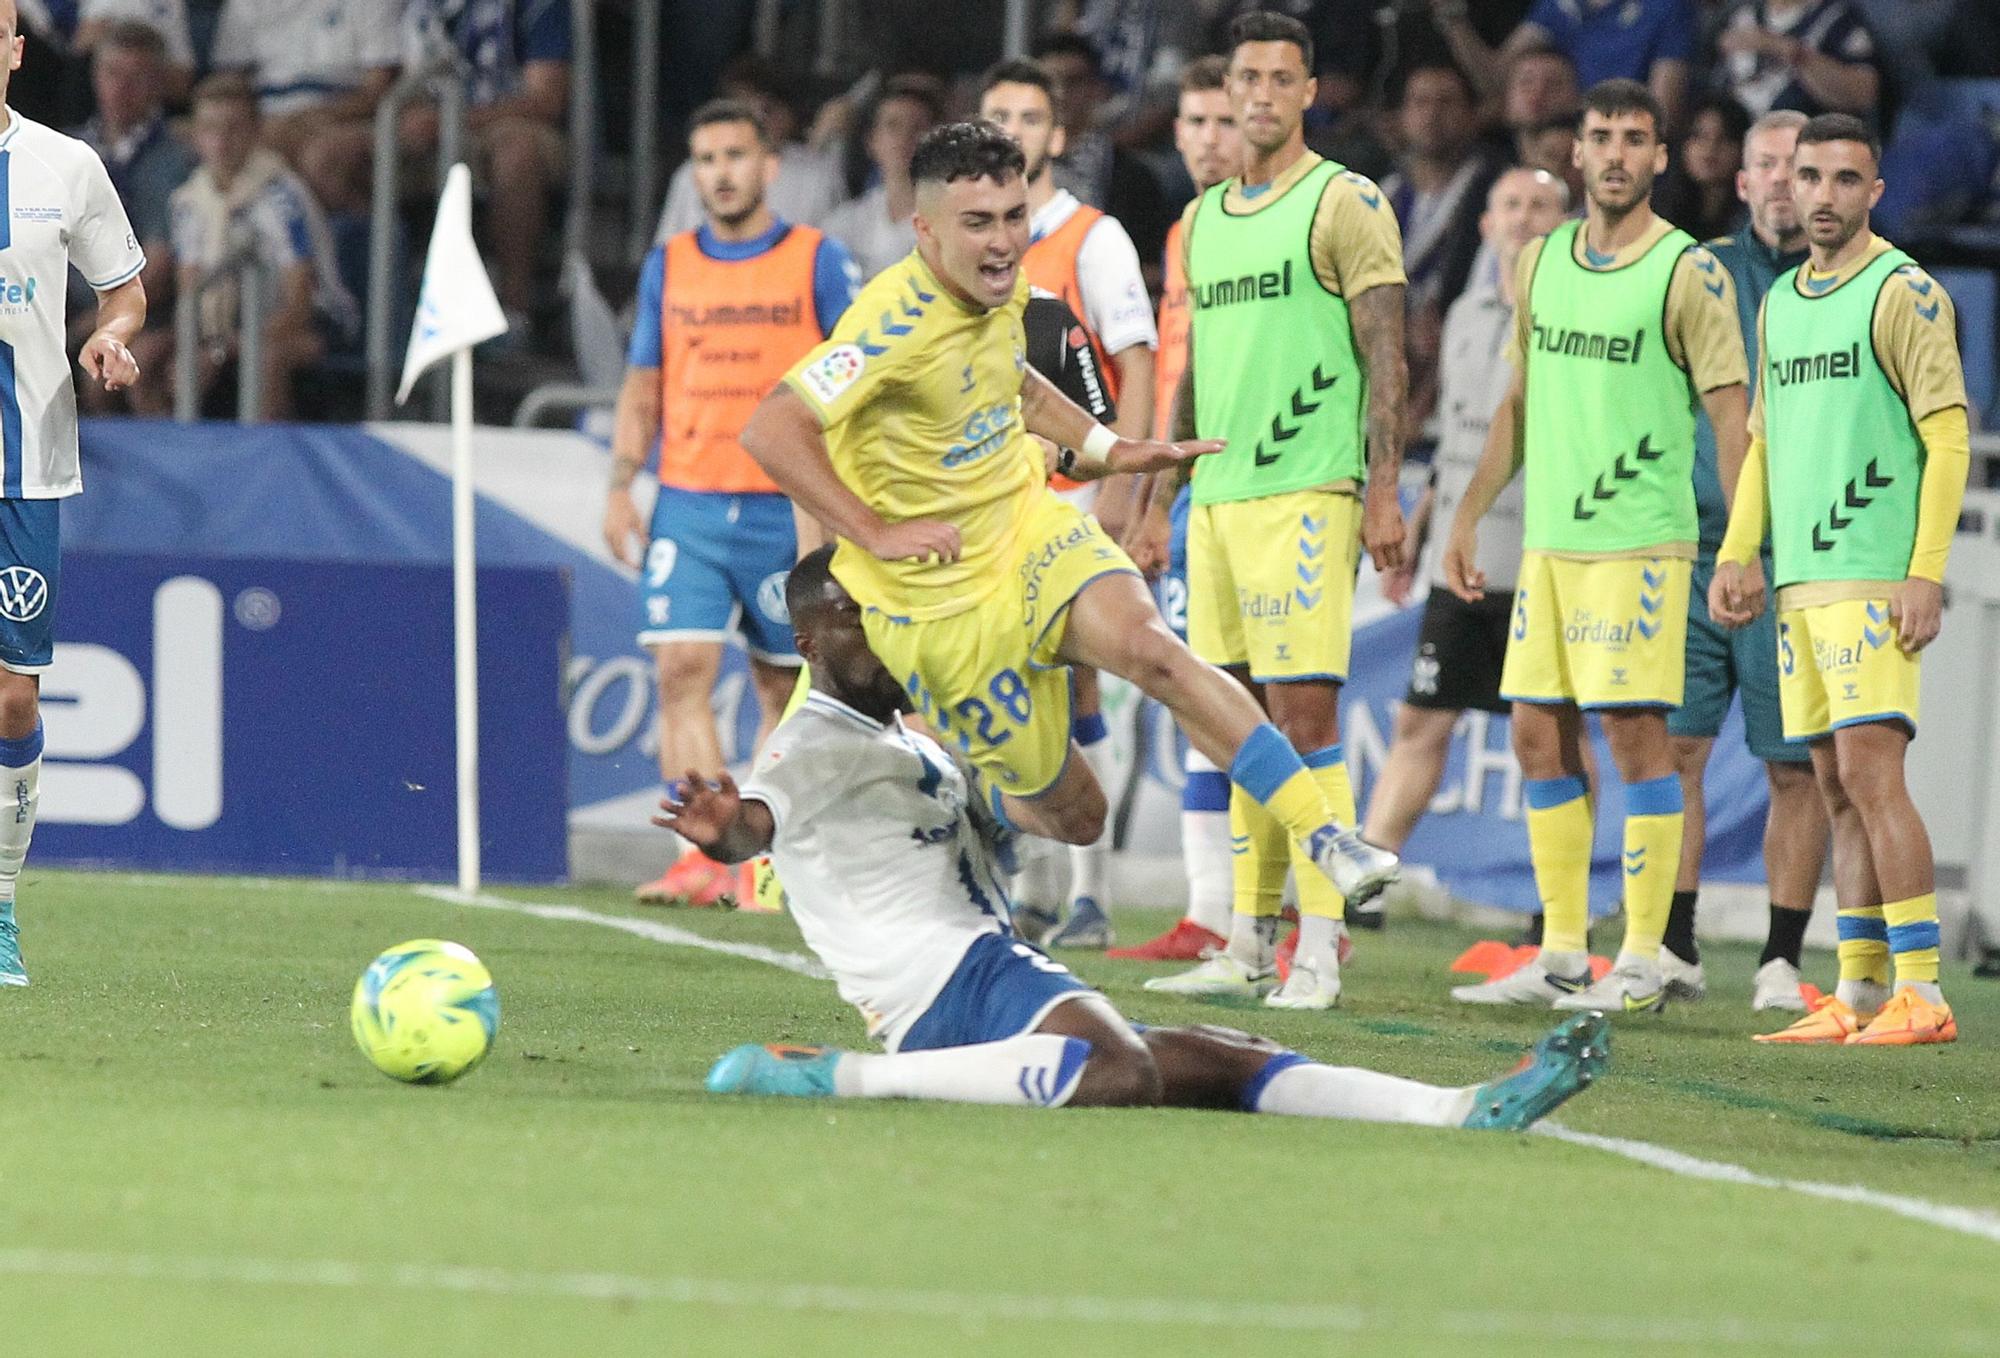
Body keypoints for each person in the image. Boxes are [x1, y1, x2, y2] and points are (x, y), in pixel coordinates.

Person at [739, 120, 1398, 958]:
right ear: (925, 230)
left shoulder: (1003, 286)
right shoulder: (886, 324)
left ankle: (1326, 835)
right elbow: (772, 429)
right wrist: (875, 530)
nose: (1005, 241)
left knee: (1155, 651)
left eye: (1014, 216)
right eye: (979, 223)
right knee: (1078, 818)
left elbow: (1013, 377)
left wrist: (1110, 449)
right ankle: (968, 790)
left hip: (1029, 529)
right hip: (945, 607)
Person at [668, 548, 1609, 1129]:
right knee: (1118, 1070)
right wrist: (725, 832)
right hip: (945, 980)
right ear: (814, 641)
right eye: (865, 618)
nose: (894, 629)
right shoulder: (811, 740)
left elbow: (995, 817)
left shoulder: (901, 731)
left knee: (1217, 1054)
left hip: (979, 967)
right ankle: (839, 1080)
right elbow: (759, 818)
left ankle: (1454, 1109)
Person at [1442, 79, 1750, 1014]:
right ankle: (1566, 951)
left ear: (1660, 158)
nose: (1615, 154)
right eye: (1600, 137)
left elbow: (1732, 416)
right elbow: (1522, 404)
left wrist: (1741, 545)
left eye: (1634, 139)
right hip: (1549, 544)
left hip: (1640, 545)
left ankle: (1648, 956)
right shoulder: (1539, 262)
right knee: (1539, 736)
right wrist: (1465, 515)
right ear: (1574, 152)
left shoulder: (1687, 270)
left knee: (1635, 735)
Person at [1144, 10, 1408, 1010]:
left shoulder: (1342, 202)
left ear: (1308, 92)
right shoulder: (1204, 219)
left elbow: (1386, 349)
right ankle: (1249, 943)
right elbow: (1200, 372)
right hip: (1215, 496)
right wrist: (1159, 493)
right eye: (1243, 77)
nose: (1257, 95)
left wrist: (1381, 488)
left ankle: (1318, 948)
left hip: (1306, 487)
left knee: (1302, 717)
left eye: (1277, 78)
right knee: (1232, 724)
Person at [1713, 113, 1970, 1046]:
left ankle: (1924, 992)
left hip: (1872, 576)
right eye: (1808, 177)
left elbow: (1946, 434)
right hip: (1802, 582)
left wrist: (1924, 573)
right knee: (1829, 783)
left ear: (1875, 192)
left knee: (1872, 771)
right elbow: (1767, 441)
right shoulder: (1781, 299)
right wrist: (1742, 551)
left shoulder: (1903, 293)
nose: (1820, 195)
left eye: (1843, 180)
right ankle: (1859, 991)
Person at [604, 99, 860, 910]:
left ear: (769, 164)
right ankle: (703, 858)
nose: (720, 173)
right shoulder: (669, 264)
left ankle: (764, 858)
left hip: (783, 507)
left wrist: (833, 504)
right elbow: (644, 381)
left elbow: (855, 375)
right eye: (705, 159)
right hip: (688, 500)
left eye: (734, 156)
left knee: (781, 690)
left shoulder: (818, 259)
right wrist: (620, 483)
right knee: (680, 669)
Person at [978, 56, 1160, 949]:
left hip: (1072, 496)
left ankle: (1089, 893)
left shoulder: (1093, 237)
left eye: (1029, 116)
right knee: (1008, 687)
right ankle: (1038, 887)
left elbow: (1136, 361)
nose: (1014, 129)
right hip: (988, 504)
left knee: (1085, 683)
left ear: (1057, 135)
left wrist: (1124, 487)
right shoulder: (961, 237)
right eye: (997, 112)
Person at [1662, 109, 1829, 1013]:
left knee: (1795, 767)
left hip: (1793, 558)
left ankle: (1780, 960)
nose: (1779, 181)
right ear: (1740, 179)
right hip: (1692, 547)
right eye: (1765, 164)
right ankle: (1675, 944)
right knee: (1675, 748)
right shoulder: (1698, 272)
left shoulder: (1848, 284)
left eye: (1797, 167)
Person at [1362, 168, 1570, 882]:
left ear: (1566, 224)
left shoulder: (1577, 319)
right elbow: (1456, 439)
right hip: (1462, 558)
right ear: (1485, 224)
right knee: (1421, 720)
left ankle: (1562, 913)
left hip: (1542, 561)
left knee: (1553, 740)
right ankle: (1367, 880)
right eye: (1509, 204)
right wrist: (1416, 530)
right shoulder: (1465, 314)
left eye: (1541, 206)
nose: (1523, 218)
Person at [0, 0, 148, 986]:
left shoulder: (66, 166)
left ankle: (1, 906)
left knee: (12, 695)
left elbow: (124, 286)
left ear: (14, 49)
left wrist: (111, 333)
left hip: (27, 461)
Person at [1108, 54, 1241, 964]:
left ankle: (1285, 918)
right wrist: (1154, 498)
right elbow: (1179, 376)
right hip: (1192, 493)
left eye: (1219, 121)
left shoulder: (1300, 217)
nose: (1203, 140)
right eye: (1190, 123)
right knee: (1203, 698)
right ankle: (1218, 915)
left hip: (1266, 490)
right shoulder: (1192, 227)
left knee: (1266, 702)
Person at [165, 75, 359, 421]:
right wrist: (204, 348)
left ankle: (268, 467)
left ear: (256, 132)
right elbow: (189, 293)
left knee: (264, 358)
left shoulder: (281, 196)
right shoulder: (188, 202)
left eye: (234, 129)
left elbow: (299, 305)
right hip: (229, 331)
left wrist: (224, 349)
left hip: (314, 325)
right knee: (145, 360)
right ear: (195, 136)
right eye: (210, 129)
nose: (222, 142)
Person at [398, 0, 572, 340]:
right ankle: (370, 316)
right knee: (339, 156)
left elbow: (545, 99)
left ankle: (513, 312)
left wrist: (452, 121)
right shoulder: (416, 7)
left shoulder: (539, 5)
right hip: (424, 125)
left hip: (508, 123)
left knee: (517, 154)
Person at [70, 18, 188, 414]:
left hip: (136, 314)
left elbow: (158, 265)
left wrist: (97, 324)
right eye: (112, 74)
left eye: (136, 78)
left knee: (105, 368)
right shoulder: (64, 149)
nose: (121, 89)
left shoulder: (176, 161)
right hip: (52, 302)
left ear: (158, 85)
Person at [1382, 62, 1499, 438]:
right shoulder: (1378, 194)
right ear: (1401, 117)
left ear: (1472, 115)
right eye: (1420, 102)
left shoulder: (1497, 194)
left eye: (1447, 102)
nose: (1432, 114)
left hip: (1464, 360)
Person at [1433, 0, 1698, 137]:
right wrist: (1453, 16)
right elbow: (1496, 81)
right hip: (1552, 144)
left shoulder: (1666, 8)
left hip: (1620, 153)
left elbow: (1663, 116)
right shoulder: (1561, 6)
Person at [655, 57, 846, 242]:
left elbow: (835, 251)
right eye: (746, 110)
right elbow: (669, 254)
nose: (758, 121)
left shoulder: (819, 174)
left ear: (790, 113)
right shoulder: (695, 171)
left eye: (767, 109)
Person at [1033, 32, 1174, 273]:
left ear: (1097, 88)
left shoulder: (1134, 178)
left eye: (1074, 81)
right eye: (1051, 82)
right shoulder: (1012, 173)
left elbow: (1153, 269)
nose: (1062, 93)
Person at [208, 0, 401, 175]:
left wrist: (311, 118)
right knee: (218, 145)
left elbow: (377, 89)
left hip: (341, 117)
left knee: (319, 156)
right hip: (264, 118)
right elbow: (227, 85)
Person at [821, 78, 942, 283]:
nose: (904, 137)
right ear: (872, 141)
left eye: (918, 127)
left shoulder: (950, 226)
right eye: (892, 126)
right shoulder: (842, 225)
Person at [1711, 0, 1881, 120]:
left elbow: (1864, 93)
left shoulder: (1837, 18)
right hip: (1743, 143)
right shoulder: (1741, 16)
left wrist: (1785, 49)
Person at [1656, 92, 1750, 243]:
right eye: (1699, 136)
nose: (1710, 147)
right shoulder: (1656, 213)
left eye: (1725, 137)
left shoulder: (1751, 222)